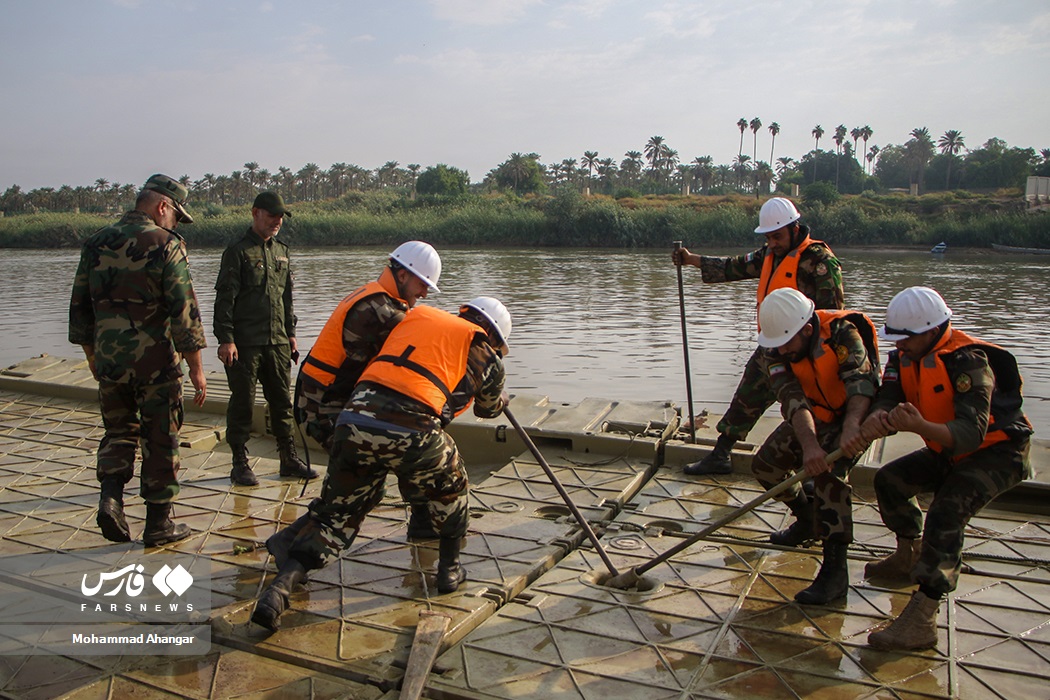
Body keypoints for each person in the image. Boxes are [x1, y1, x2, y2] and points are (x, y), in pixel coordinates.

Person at [251, 297, 511, 632]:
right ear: (493, 333)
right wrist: (501, 398)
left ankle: (279, 589)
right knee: (451, 485)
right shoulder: (485, 353)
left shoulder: (417, 317)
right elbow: (487, 410)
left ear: (467, 313)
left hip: (354, 419)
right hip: (414, 427)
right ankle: (449, 569)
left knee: (338, 514)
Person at [842, 287, 1032, 650]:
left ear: (931, 331)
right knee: (890, 481)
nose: (899, 347)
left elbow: (971, 434)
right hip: (947, 449)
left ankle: (923, 617)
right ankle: (907, 555)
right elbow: (890, 394)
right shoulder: (905, 355)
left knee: (946, 513)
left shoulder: (969, 362)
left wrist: (919, 427)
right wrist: (878, 417)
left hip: (997, 453)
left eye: (906, 339)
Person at [68, 173, 207, 547]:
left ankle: (111, 500)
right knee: (161, 437)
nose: (175, 223)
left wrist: (93, 357)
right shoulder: (166, 244)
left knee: (118, 432)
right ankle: (159, 524)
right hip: (156, 364)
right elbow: (184, 311)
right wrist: (195, 367)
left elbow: (79, 309)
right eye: (176, 215)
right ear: (162, 206)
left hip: (110, 361)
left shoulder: (96, 243)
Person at [672, 197, 844, 475]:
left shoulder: (820, 263)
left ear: (794, 228)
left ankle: (819, 468)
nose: (772, 242)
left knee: (812, 408)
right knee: (748, 393)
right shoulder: (769, 255)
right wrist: (692, 260)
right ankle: (720, 454)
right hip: (774, 344)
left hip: (806, 349)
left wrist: (817, 356)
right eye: (768, 237)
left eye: (777, 236)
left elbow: (834, 315)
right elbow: (734, 266)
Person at [295, 240, 442, 539]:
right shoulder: (378, 309)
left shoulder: (379, 297)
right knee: (362, 484)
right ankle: (296, 541)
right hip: (322, 407)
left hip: (330, 400)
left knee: (376, 469)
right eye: (422, 284)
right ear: (402, 275)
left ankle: (422, 522)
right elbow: (421, 342)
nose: (425, 293)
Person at [751, 288, 879, 604]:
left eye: (786, 343)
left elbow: (861, 387)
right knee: (766, 466)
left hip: (855, 414)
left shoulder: (841, 335)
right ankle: (807, 519)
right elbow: (791, 398)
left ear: (807, 330)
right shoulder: (774, 348)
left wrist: (851, 429)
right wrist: (809, 445)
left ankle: (835, 573)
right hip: (814, 415)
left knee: (829, 479)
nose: (781, 350)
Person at [213, 191, 315, 486]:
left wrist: (291, 334)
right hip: (245, 344)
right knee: (243, 403)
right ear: (256, 213)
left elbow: (287, 298)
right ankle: (239, 463)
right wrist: (226, 339)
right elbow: (225, 300)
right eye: (272, 216)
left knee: (283, 402)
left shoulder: (282, 250)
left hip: (278, 342)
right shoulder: (238, 251)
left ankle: (288, 458)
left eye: (280, 217)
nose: (277, 222)